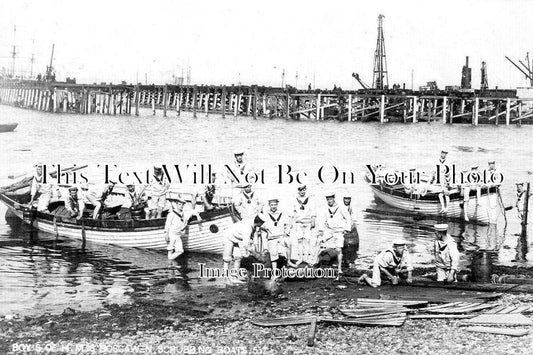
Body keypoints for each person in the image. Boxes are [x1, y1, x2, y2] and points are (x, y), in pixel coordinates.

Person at [222, 214, 265, 283]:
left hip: (238, 238)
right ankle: (226, 279)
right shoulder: (247, 228)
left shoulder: (253, 224)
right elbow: (246, 245)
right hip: (228, 236)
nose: (262, 225)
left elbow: (252, 239)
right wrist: (256, 255)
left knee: (238, 257)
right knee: (227, 259)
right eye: (262, 223)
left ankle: (235, 277)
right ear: (259, 222)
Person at [317, 191, 351, 275]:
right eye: (328, 199)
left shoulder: (341, 207)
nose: (329, 201)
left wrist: (346, 229)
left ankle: (339, 268)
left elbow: (348, 218)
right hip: (329, 230)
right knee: (318, 241)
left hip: (338, 231)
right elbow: (322, 219)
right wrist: (320, 230)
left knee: (339, 249)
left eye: (331, 199)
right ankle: (316, 262)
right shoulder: (325, 208)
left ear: (334, 198)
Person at [165, 194, 201, 263]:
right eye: (179, 204)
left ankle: (170, 260)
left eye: (182, 205)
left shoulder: (185, 214)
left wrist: (198, 215)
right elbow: (167, 224)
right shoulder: (171, 214)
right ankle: (170, 263)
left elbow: (193, 211)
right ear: (176, 204)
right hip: (172, 233)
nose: (181, 206)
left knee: (180, 251)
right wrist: (166, 234)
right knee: (170, 250)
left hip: (178, 235)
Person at [261, 196, 291, 275]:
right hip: (272, 237)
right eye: (272, 205)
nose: (273, 206)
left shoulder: (282, 213)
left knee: (288, 243)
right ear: (269, 205)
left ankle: (288, 262)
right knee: (273, 255)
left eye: (275, 204)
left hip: (281, 236)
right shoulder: (266, 214)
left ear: (277, 205)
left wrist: (286, 232)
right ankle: (274, 273)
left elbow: (288, 224)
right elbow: (261, 226)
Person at [289, 184, 317, 266]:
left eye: (303, 190)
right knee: (300, 240)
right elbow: (292, 212)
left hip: (308, 222)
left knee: (307, 240)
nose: (302, 191)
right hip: (299, 222)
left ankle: (306, 258)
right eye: (300, 190)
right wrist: (291, 222)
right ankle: (300, 258)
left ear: (305, 190)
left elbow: (313, 210)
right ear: (298, 191)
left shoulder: (310, 199)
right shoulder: (295, 200)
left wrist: (313, 221)